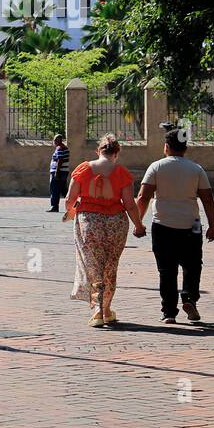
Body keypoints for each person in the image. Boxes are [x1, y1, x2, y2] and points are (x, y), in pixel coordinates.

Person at [135, 129, 214, 324]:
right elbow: (207, 199)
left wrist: (138, 223)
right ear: (185, 148)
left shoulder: (156, 167)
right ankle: (189, 297)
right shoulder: (196, 169)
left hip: (162, 225)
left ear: (166, 147)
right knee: (193, 266)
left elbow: (143, 196)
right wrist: (213, 226)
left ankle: (169, 313)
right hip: (191, 226)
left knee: (167, 270)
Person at [63, 134, 146, 328]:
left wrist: (72, 213)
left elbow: (69, 199)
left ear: (98, 151)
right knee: (110, 266)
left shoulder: (83, 169)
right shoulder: (123, 173)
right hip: (116, 223)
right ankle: (106, 309)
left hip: (89, 222)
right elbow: (130, 205)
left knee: (93, 266)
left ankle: (99, 311)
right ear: (116, 153)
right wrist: (139, 225)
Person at [48, 134, 70, 212]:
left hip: (58, 172)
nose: (54, 142)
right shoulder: (65, 148)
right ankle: (73, 204)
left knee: (54, 189)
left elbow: (59, 160)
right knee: (63, 189)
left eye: (54, 140)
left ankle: (54, 206)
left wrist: (57, 172)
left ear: (58, 141)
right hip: (63, 172)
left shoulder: (60, 148)